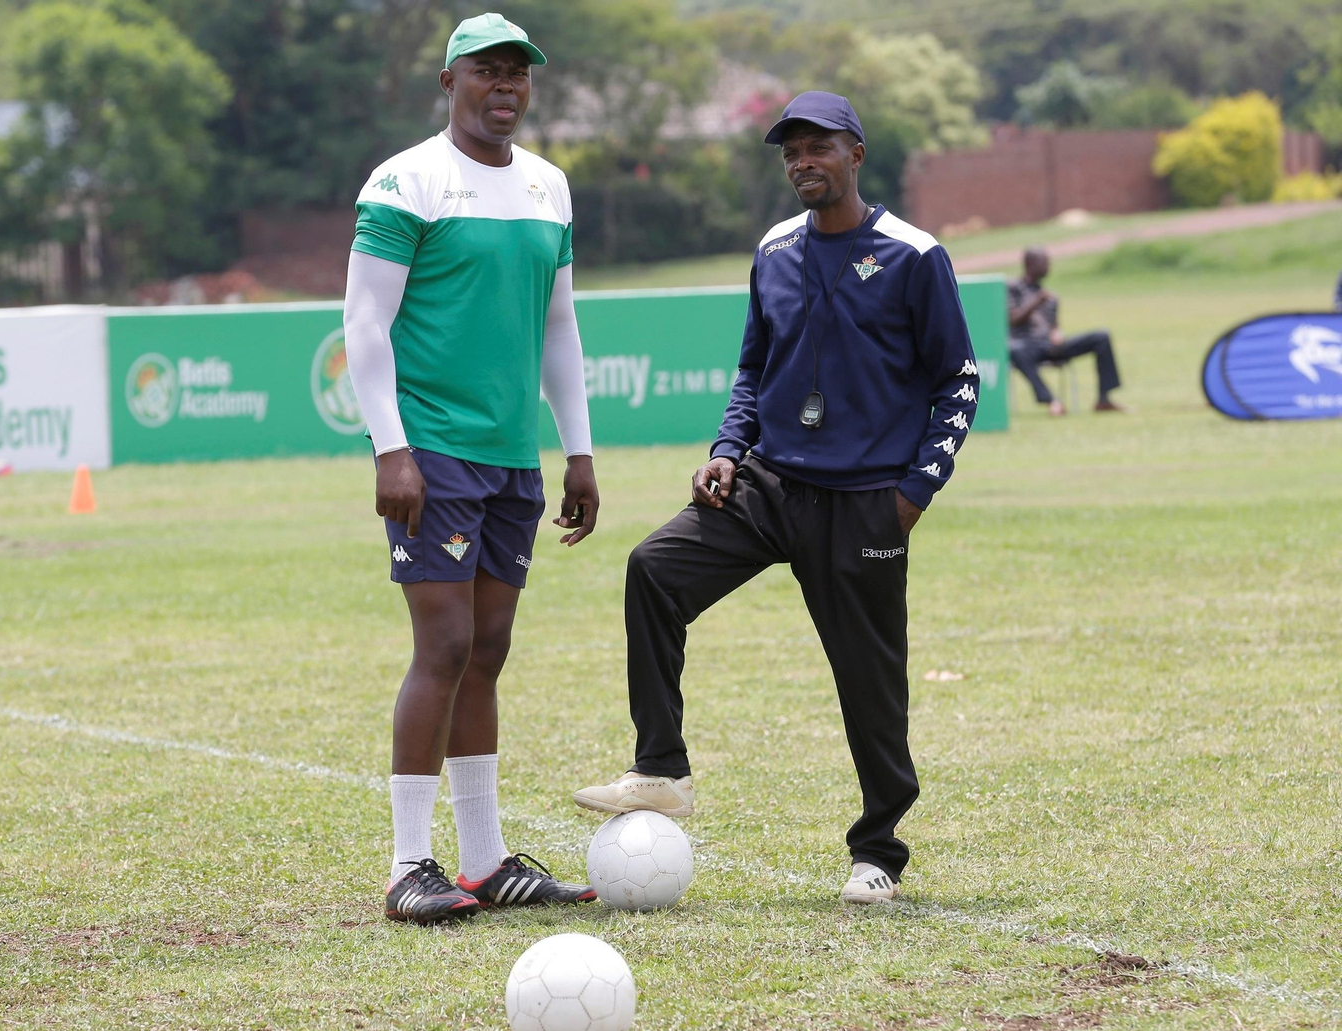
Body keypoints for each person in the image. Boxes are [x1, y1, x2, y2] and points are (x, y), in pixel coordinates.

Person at [572, 92, 980, 906]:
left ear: (855, 153)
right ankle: (661, 769)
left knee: (869, 682)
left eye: (817, 146)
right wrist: (727, 451)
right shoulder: (775, 250)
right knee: (654, 568)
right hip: (769, 483)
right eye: (790, 151)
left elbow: (958, 381)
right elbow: (754, 368)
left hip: (866, 500)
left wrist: (912, 494)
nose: (802, 162)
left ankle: (878, 852)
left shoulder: (913, 255)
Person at [342, 12, 600, 925]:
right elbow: (364, 323)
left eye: (517, 74)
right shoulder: (406, 180)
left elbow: (559, 327)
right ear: (449, 83)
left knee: (488, 649)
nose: (505, 87)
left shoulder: (548, 187)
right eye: (486, 71)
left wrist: (578, 450)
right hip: (433, 450)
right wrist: (391, 446)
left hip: (510, 457)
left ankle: (485, 863)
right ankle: (409, 865)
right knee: (445, 647)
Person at [1007, 247, 1124, 414]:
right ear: (1029, 264)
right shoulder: (1012, 288)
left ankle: (1104, 400)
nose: (1048, 267)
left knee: (1101, 337)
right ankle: (1051, 401)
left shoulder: (1050, 296)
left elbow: (1054, 324)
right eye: (1043, 262)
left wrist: (1057, 332)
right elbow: (1012, 320)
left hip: (1050, 345)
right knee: (1013, 349)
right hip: (1026, 345)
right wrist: (1036, 301)